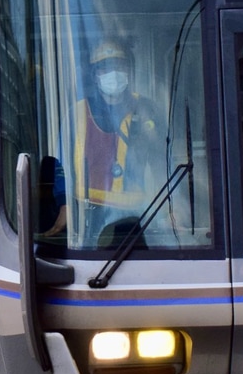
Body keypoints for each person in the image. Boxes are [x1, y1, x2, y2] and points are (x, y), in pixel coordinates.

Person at [42, 40, 160, 243]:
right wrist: (65, 204)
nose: (113, 73)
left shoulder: (146, 109)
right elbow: (62, 164)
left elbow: (163, 160)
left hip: (139, 216)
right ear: (95, 75)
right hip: (89, 213)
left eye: (118, 66)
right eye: (105, 68)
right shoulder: (77, 113)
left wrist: (173, 209)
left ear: (128, 71)